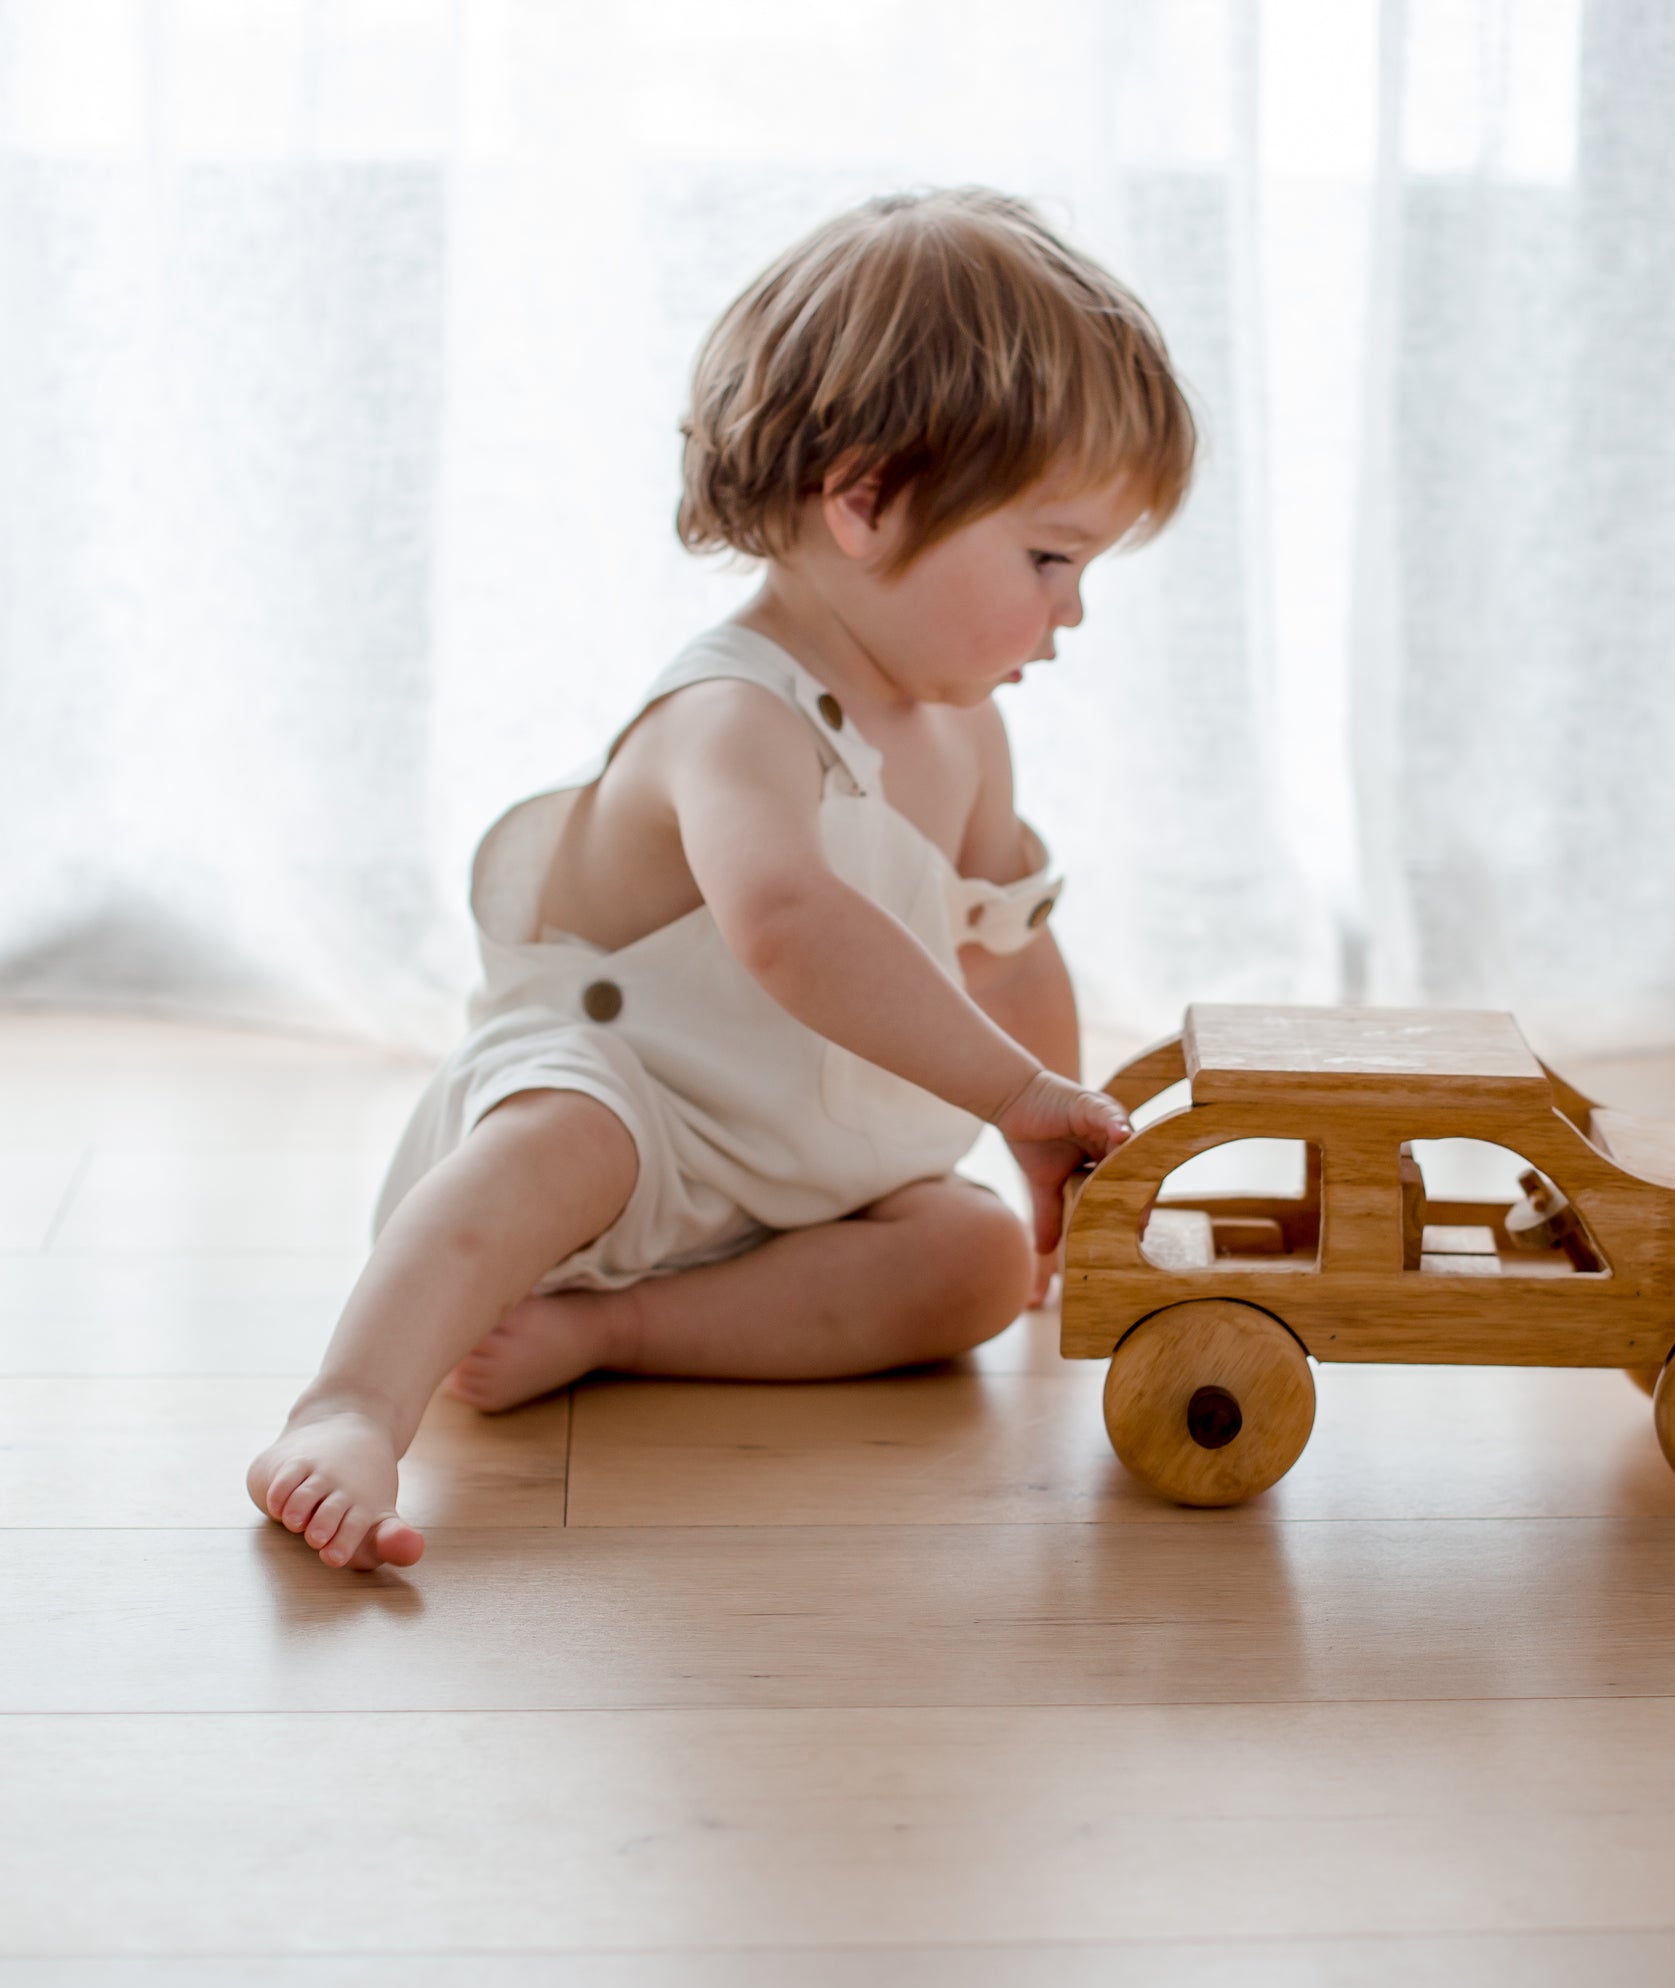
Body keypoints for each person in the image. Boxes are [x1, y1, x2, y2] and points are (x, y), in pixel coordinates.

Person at [246, 187, 1199, 1570]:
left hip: (798, 1173)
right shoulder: (731, 716)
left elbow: (1001, 950)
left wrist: (1043, 1156)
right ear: (866, 501)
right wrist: (1002, 1086)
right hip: (629, 1123)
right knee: (557, 1136)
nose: (1073, 612)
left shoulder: (967, 737)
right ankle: (349, 1405)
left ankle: (619, 1333)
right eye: (1050, 558)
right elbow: (790, 929)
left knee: (976, 1263)